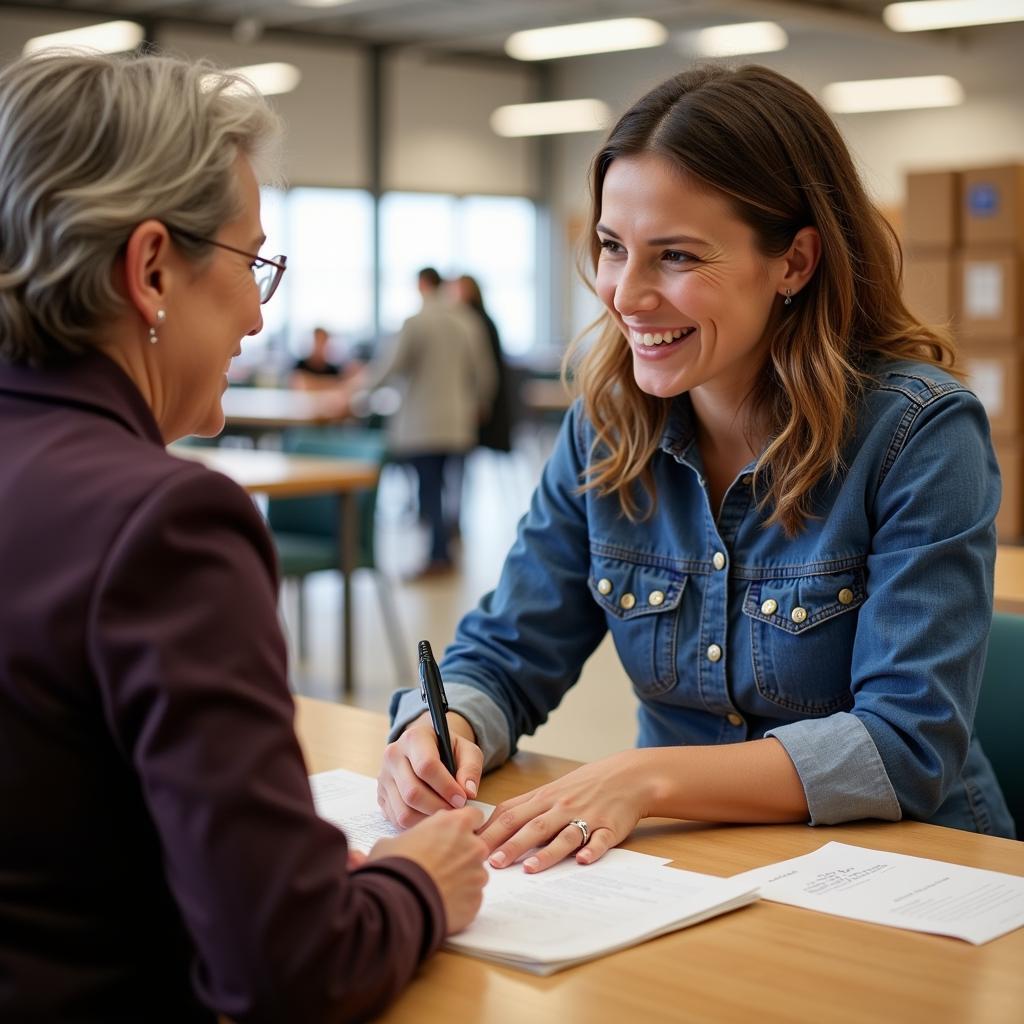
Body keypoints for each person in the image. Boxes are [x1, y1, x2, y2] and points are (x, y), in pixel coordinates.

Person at [378, 63, 1015, 867]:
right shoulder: (603, 431)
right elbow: (507, 651)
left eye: (675, 256)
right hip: (691, 874)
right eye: (613, 247)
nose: (626, 295)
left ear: (794, 262)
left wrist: (648, 779)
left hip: (908, 874)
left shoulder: (919, 434)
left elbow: (907, 743)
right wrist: (444, 730)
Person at [0, 51, 488, 1024]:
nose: (260, 312)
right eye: (250, 260)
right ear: (149, 269)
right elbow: (291, 969)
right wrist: (416, 881)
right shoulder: (164, 524)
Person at [363, 267, 495, 577]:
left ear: (422, 285)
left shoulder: (415, 323)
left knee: (429, 488)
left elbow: (390, 368)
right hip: (459, 420)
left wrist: (356, 391)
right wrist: (481, 402)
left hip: (422, 425)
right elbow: (484, 371)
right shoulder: (467, 321)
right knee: (454, 484)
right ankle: (448, 539)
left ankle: (438, 555)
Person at [453, 274, 513, 454]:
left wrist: (482, 400)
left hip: (479, 398)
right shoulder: (467, 320)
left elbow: (485, 367)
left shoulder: (476, 322)